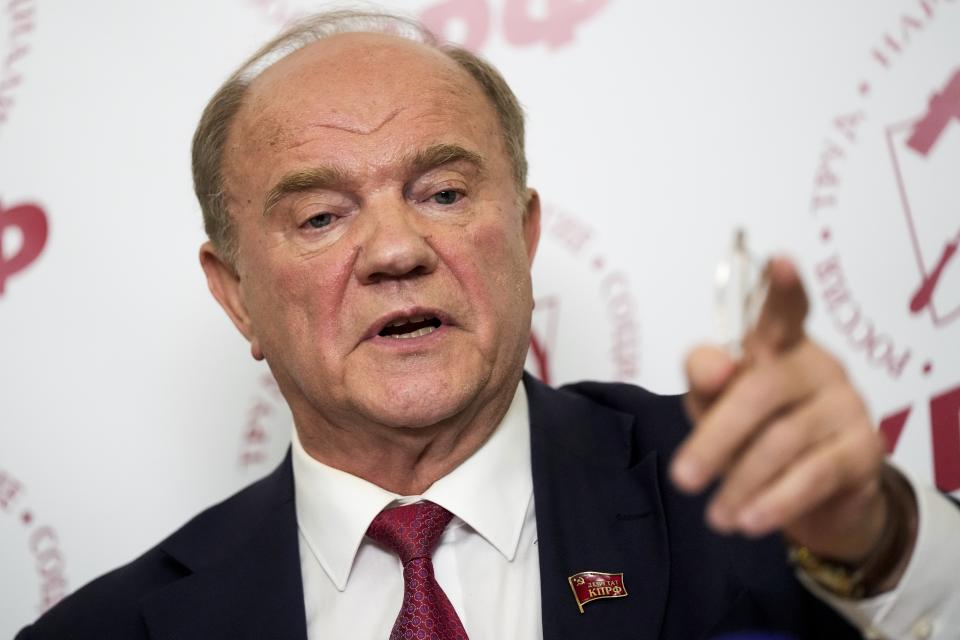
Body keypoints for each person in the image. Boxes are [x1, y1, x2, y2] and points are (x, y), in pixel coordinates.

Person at [17, 9, 960, 640]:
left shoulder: (739, 487)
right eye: (319, 216)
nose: (396, 249)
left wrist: (873, 533)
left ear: (524, 231)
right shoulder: (114, 630)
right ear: (234, 296)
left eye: (444, 191)